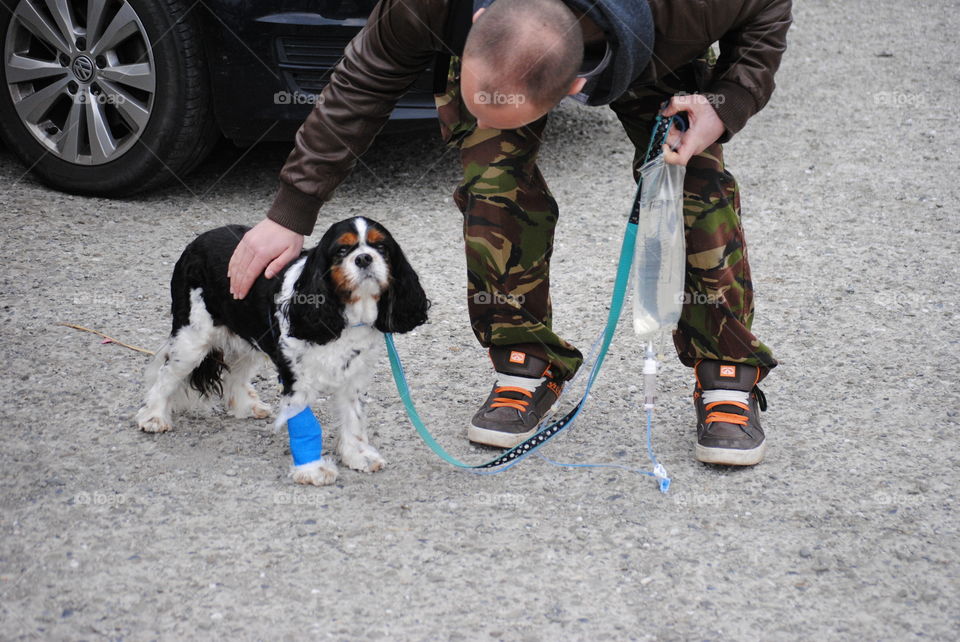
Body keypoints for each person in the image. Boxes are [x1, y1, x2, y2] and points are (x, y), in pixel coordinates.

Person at [228, 0, 791, 466]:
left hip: (653, 44)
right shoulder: (427, 5)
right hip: (515, 34)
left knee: (693, 183)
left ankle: (727, 371)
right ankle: (526, 358)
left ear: (575, 87)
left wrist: (727, 102)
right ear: (476, 23)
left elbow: (770, 10)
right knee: (492, 184)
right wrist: (290, 212)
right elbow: (364, 78)